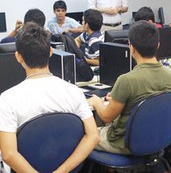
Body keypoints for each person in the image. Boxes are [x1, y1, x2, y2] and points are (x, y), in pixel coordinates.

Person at [0, 22, 99, 172]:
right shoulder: (74, 92)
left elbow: (8, 154)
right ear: (51, 52)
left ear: (18, 57)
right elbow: (93, 136)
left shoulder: (8, 99)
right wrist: (62, 170)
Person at [88, 20, 171, 154]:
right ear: (157, 45)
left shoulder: (127, 80)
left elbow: (106, 117)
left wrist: (96, 102)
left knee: (85, 136)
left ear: (132, 47)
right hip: (157, 137)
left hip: (125, 143)